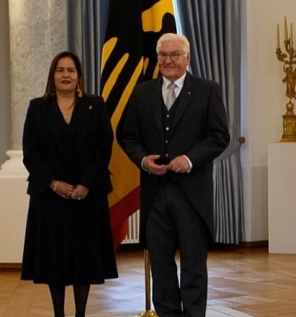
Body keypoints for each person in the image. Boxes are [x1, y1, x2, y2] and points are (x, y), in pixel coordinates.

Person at [118, 33, 230, 317]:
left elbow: (219, 136)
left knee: (193, 263)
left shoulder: (207, 90)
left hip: (192, 194)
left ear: (187, 58)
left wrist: (190, 159)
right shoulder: (142, 92)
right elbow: (127, 136)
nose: (169, 60)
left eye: (175, 55)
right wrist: (143, 160)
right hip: (155, 194)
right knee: (161, 264)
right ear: (158, 60)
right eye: (163, 55)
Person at [21, 51, 118, 317]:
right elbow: (31, 152)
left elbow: (104, 148)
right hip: (49, 198)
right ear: (53, 76)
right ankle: (59, 314)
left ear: (79, 77)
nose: (66, 75)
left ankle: (80, 314)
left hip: (87, 197)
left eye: (71, 70)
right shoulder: (37, 108)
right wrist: (53, 183)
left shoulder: (95, 105)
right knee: (54, 260)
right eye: (60, 70)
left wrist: (86, 184)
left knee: (83, 260)